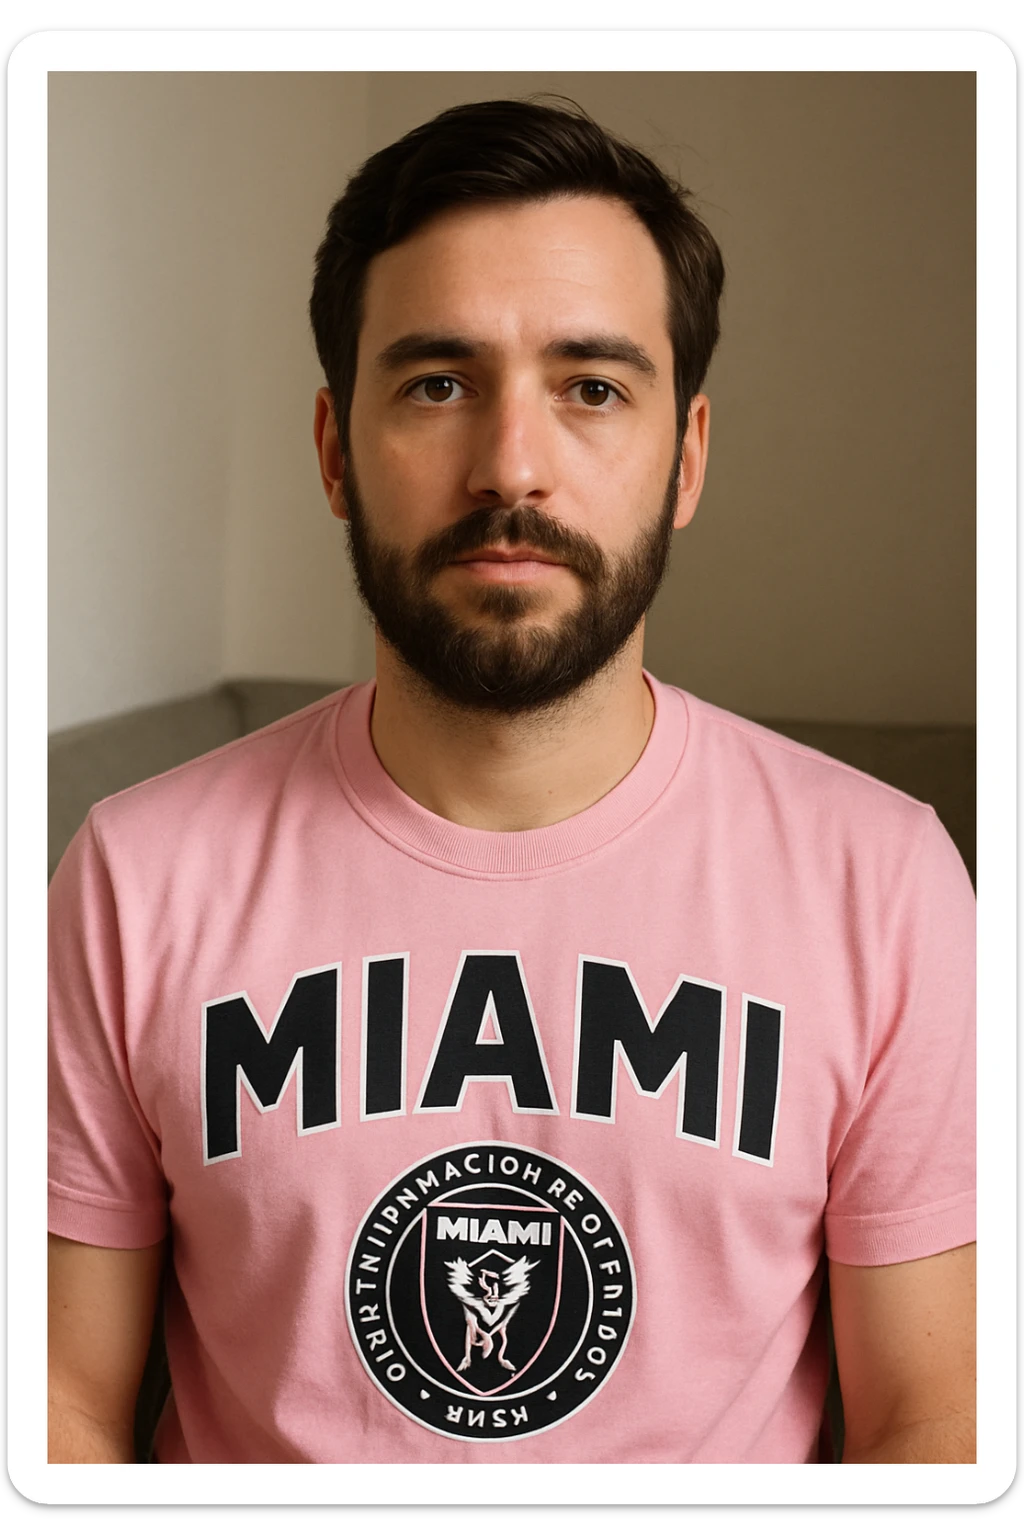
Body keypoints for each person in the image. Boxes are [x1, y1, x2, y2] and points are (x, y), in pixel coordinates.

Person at [48, 98, 976, 1466]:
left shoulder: (886, 883)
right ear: (333, 450)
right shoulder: (133, 873)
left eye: (592, 387)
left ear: (688, 459)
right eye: (437, 382)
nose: (512, 468)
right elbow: (61, 1403)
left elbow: (930, 1424)